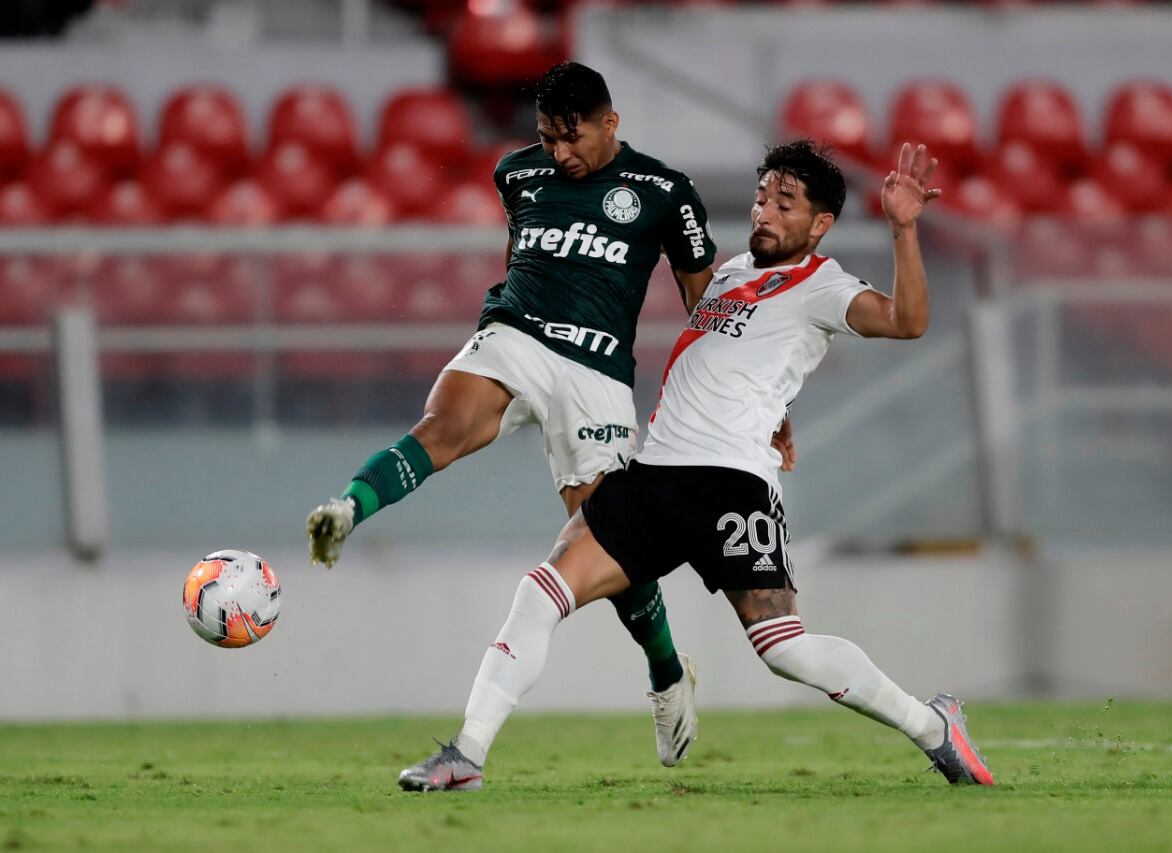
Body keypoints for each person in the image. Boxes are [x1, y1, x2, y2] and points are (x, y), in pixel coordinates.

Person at [396, 139, 994, 792]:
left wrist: (903, 229)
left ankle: (933, 726)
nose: (765, 211)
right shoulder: (732, 274)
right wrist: (780, 409)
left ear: (820, 223)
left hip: (731, 484)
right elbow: (738, 358)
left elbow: (908, 320)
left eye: (785, 203)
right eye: (762, 197)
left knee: (783, 648)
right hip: (654, 476)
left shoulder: (825, 286)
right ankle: (466, 756)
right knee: (540, 593)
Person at [306, 62, 790, 767]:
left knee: (607, 540)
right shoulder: (518, 174)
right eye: (547, 138)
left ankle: (666, 673)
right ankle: (348, 508)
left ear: (609, 123)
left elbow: (705, 308)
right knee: (442, 427)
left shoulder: (664, 192)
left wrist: (754, 400)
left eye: (572, 137)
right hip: (516, 335)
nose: (559, 153)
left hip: (596, 373)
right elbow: (520, 254)